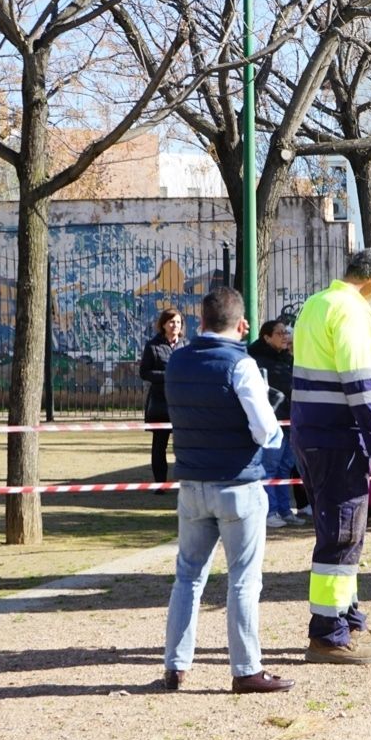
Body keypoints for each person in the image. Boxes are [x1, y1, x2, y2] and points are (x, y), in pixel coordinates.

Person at [161, 286, 292, 694]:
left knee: (188, 577)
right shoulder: (242, 365)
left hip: (191, 484)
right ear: (241, 324)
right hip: (237, 485)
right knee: (243, 581)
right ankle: (246, 669)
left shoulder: (177, 361)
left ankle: (176, 665)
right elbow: (266, 430)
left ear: (200, 321)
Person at [292, 249, 371, 665]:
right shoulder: (353, 315)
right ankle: (328, 633)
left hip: (314, 435)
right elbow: (362, 385)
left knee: (341, 531)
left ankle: (348, 618)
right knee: (341, 535)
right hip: (341, 439)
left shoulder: (317, 304)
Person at [248, 319, 305, 529]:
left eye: (285, 333)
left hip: (291, 419)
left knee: (285, 467)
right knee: (270, 467)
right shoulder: (258, 360)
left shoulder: (286, 359)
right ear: (267, 337)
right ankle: (269, 511)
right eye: (279, 333)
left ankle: (284, 509)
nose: (285, 336)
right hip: (273, 421)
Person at [139, 309, 183, 492]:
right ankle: (160, 483)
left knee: (183, 444)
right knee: (159, 444)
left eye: (178, 322)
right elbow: (144, 372)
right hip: (160, 402)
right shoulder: (153, 346)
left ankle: (185, 482)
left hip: (182, 403)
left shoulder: (186, 346)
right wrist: (168, 376)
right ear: (163, 324)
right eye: (171, 322)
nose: (175, 326)